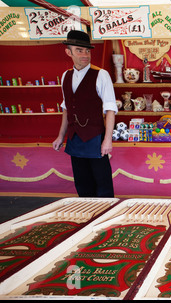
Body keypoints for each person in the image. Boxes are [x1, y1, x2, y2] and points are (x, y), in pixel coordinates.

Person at [52, 30, 117, 197]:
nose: (85, 54)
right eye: (79, 50)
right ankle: (87, 217)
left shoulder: (101, 75)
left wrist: (107, 140)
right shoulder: (65, 76)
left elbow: (110, 109)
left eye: (87, 50)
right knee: (82, 184)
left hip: (95, 137)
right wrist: (61, 136)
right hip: (74, 138)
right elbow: (66, 108)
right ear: (69, 52)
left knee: (103, 185)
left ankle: (104, 219)